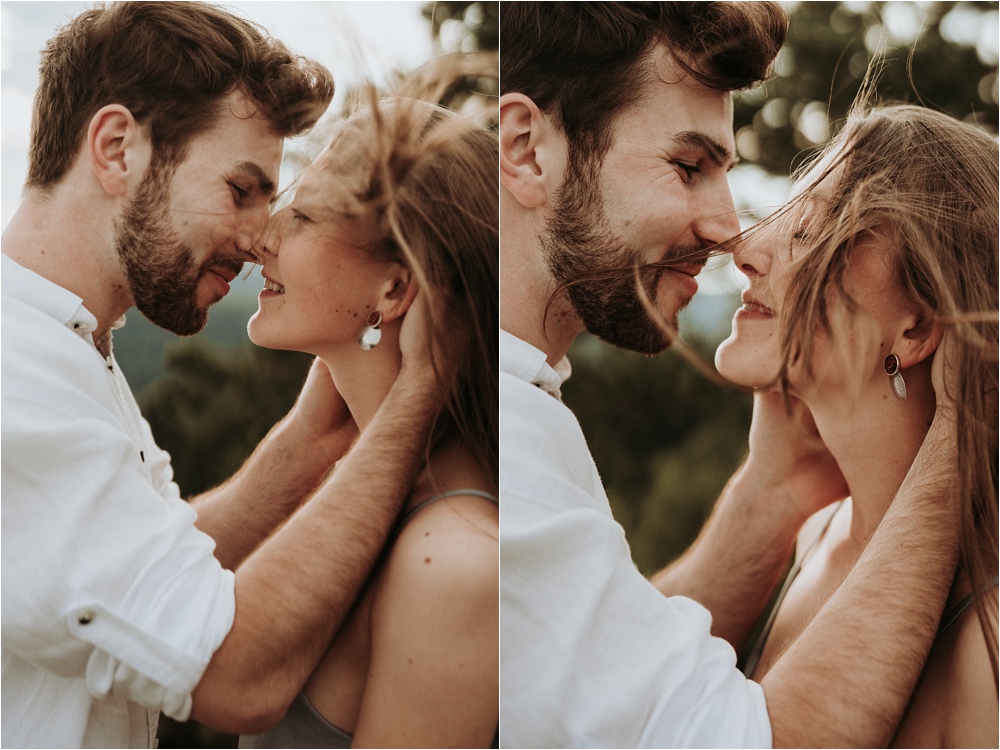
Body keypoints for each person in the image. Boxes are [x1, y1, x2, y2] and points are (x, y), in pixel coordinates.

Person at [499, 3, 967, 747]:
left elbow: (624, 689)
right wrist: (955, 454)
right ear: (525, 150)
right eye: (687, 165)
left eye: (811, 230)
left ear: (916, 326)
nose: (735, 235)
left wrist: (772, 491)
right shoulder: (500, 442)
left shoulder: (975, 633)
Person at [2, 4, 443, 747]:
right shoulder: (16, 378)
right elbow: (234, 676)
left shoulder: (68, 349)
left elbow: (153, 569)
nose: (260, 236)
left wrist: (307, 445)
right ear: (116, 149)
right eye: (242, 190)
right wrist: (416, 400)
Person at [716, 102, 999, 748]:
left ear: (919, 327)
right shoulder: (813, 536)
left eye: (808, 233)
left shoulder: (989, 640)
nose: (745, 248)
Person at [237, 64, 500, 749]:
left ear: (393, 290)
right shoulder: (345, 488)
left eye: (304, 216)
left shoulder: (454, 560)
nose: (262, 238)